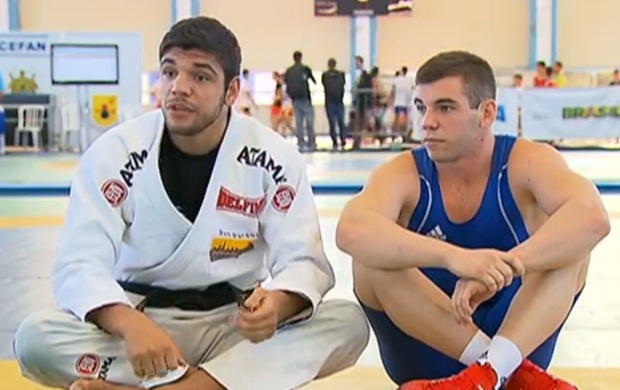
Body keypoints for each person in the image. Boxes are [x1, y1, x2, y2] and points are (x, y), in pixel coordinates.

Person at [12, 16, 369, 390]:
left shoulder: (273, 157)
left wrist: (276, 307)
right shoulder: (114, 153)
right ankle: (215, 383)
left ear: (232, 91)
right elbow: (79, 264)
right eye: (169, 72)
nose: (178, 88)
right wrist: (128, 323)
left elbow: (303, 262)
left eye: (200, 77)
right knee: (35, 339)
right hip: (140, 328)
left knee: (347, 324)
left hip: (234, 327)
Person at [336, 50, 610, 390]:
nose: (427, 122)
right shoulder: (406, 174)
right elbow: (350, 229)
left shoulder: (525, 163)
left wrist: (503, 267)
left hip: (512, 333)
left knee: (572, 247)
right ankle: (505, 373)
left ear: (487, 113)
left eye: (445, 107)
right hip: (428, 354)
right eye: (422, 107)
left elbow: (592, 216)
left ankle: (491, 372)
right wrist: (456, 258)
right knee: (370, 258)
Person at [284, 51, 317, 151]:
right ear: (301, 58)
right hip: (306, 99)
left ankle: (301, 143)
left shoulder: (288, 71)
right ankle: (311, 143)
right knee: (309, 122)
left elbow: (286, 83)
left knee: (299, 123)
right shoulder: (305, 69)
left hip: (295, 100)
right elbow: (314, 81)